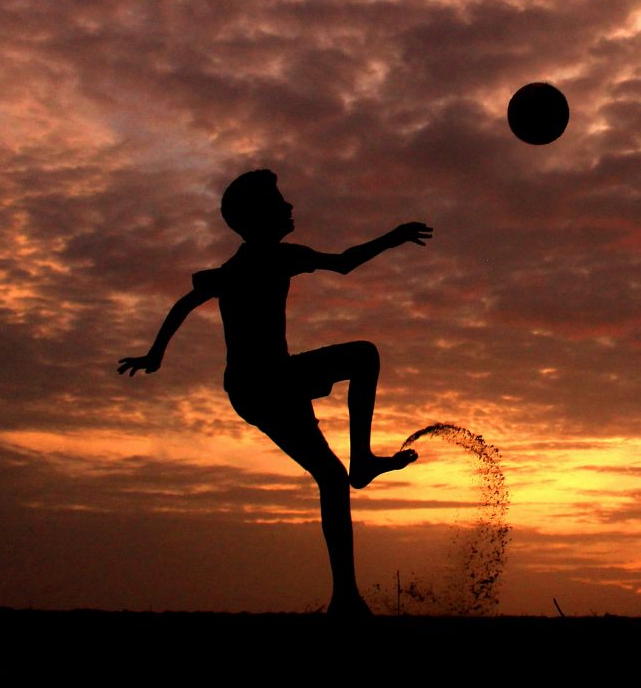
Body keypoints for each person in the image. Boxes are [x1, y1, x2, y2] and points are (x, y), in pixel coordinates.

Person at [119, 169, 430, 617]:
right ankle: (361, 462)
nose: (288, 207)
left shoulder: (248, 264)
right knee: (364, 356)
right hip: (267, 383)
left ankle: (345, 597)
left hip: (254, 389)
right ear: (257, 217)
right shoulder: (265, 261)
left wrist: (155, 354)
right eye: (278, 202)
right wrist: (394, 237)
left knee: (329, 478)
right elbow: (343, 263)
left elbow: (187, 302)